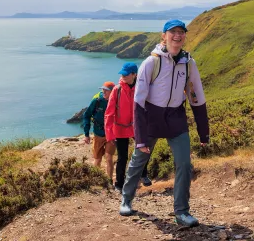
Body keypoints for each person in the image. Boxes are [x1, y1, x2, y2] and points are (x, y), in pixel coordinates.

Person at [119, 20, 209, 227]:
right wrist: (140, 138)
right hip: (152, 117)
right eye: (173, 32)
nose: (177, 36)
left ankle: (182, 212)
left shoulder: (189, 63)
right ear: (164, 36)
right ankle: (126, 198)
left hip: (176, 118)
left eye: (181, 32)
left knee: (184, 164)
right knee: (139, 160)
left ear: (184, 36)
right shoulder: (151, 62)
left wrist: (204, 132)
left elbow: (197, 97)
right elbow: (139, 102)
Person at [105, 62, 152, 193]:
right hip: (120, 129)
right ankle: (119, 183)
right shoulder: (117, 89)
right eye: (122, 74)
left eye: (126, 74)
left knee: (144, 150)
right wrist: (109, 134)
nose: (123, 76)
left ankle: (143, 175)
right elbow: (109, 113)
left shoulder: (141, 87)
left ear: (134, 74)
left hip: (137, 127)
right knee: (122, 157)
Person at [83, 81, 116, 180]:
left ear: (112, 92)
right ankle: (96, 180)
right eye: (103, 90)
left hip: (111, 134)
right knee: (97, 159)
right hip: (98, 134)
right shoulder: (97, 101)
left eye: (107, 90)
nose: (104, 92)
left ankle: (109, 181)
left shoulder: (116, 101)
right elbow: (86, 115)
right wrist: (86, 134)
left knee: (109, 157)